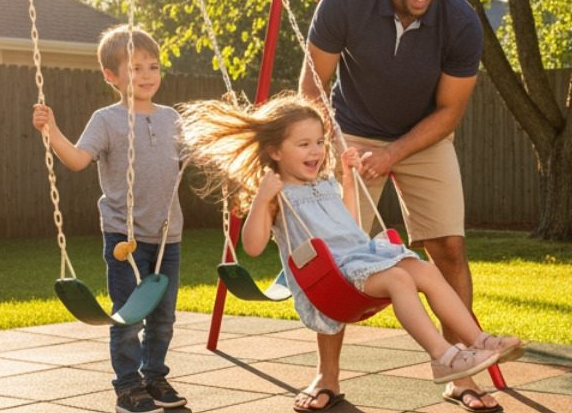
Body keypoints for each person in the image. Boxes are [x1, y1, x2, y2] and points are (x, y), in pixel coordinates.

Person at [178, 93, 524, 389]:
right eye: (303, 144)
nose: (315, 151)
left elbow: (352, 228)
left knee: (426, 271)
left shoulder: (325, 183)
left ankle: (479, 341)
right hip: (333, 277)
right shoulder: (279, 196)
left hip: (360, 257)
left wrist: (347, 181)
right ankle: (444, 357)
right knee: (400, 278)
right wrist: (261, 199)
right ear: (275, 152)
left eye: (319, 142)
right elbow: (252, 248)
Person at [296, 0, 497, 413]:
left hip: (422, 136)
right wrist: (335, 146)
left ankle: (464, 373)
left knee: (448, 247)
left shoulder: (462, 22)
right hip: (349, 130)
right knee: (337, 253)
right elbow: (312, 89)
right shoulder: (345, 0)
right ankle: (328, 375)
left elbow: (449, 112)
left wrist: (391, 155)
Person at [31, 25, 187, 413]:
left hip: (170, 235)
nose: (148, 74)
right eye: (135, 68)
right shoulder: (107, 120)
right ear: (112, 76)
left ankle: (154, 377)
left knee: (164, 317)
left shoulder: (171, 118)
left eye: (153, 65)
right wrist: (51, 131)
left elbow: (198, 157)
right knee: (128, 315)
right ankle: (127, 386)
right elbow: (78, 160)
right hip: (126, 237)